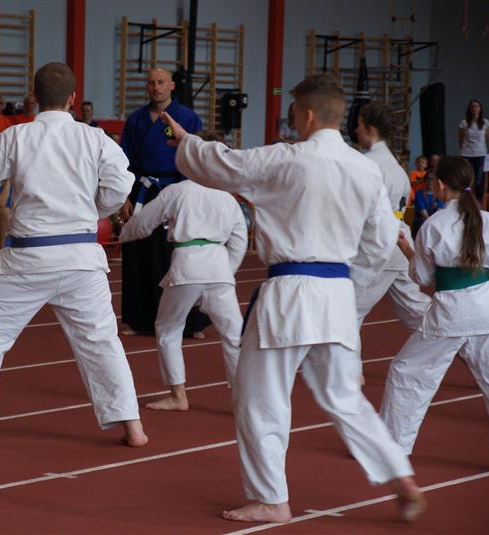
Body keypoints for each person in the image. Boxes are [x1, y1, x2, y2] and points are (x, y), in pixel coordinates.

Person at [164, 73, 423, 524]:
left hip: (289, 293)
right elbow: (382, 241)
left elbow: (224, 165)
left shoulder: (286, 159)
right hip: (337, 294)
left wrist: (186, 141)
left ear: (306, 116)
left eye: (294, 116)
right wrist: (349, 277)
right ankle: (399, 474)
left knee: (259, 397)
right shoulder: (366, 169)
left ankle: (271, 498)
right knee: (345, 397)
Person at [0, 62, 146, 447]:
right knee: (101, 341)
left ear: (34, 97)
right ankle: (131, 424)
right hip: (81, 257)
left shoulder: (17, 136)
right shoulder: (95, 138)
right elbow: (120, 185)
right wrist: (93, 210)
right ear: (73, 98)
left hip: (29, 259)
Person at [381, 156, 489, 463]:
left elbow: (423, 277)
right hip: (487, 309)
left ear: (441, 185)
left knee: (407, 373)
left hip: (450, 315)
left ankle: (392, 449)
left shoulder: (433, 225)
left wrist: (406, 249)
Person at [119, 157, 248, 411]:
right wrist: (227, 271)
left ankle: (178, 396)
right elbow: (239, 241)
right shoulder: (227, 198)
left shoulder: (177, 192)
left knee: (168, 329)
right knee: (234, 336)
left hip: (187, 266)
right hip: (219, 269)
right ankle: (245, 402)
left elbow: (144, 222)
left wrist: (124, 234)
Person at [119, 67, 208, 338]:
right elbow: (123, 161)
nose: (155, 87)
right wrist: (124, 196)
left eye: (160, 82)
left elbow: (195, 158)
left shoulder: (188, 118)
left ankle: (190, 322)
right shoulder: (136, 120)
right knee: (139, 253)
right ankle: (141, 320)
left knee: (179, 257)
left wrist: (190, 196)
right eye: (151, 83)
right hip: (143, 192)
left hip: (177, 190)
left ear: (171, 86)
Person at [353, 103, 430, 347]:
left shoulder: (366, 164)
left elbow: (358, 211)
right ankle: (462, 336)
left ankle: (349, 371)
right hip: (399, 242)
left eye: (359, 125)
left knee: (347, 311)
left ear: (370, 129)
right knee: (415, 310)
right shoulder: (398, 169)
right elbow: (403, 211)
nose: (355, 130)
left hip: (378, 246)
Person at [458, 99, 489, 201]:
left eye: (477, 106)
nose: (474, 108)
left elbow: (486, 137)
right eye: (472, 106)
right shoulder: (464, 122)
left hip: (481, 154)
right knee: (467, 179)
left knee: (479, 181)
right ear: (469, 109)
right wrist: (465, 149)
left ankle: (478, 202)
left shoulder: (485, 122)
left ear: (480, 109)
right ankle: (467, 201)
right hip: (467, 154)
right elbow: (460, 138)